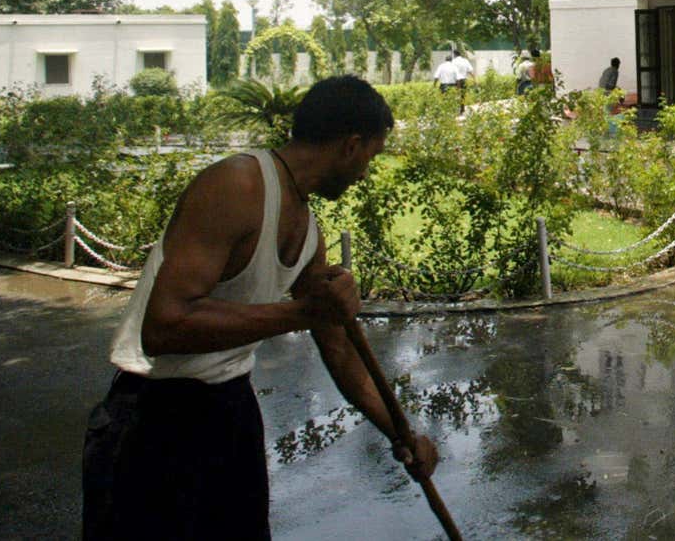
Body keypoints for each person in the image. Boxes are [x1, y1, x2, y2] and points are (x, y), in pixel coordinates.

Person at [82, 76, 438, 540]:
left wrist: (401, 433)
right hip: (154, 416)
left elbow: (342, 351)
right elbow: (166, 325)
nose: (365, 174)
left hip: (230, 411)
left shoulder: (308, 232)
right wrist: (304, 313)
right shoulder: (238, 184)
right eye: (370, 157)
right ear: (352, 146)